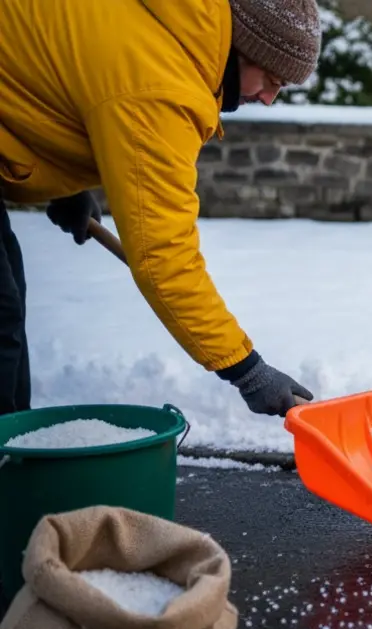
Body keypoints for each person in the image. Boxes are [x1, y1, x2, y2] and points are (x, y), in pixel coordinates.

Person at [0, 0, 320, 418]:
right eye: (271, 78)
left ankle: (11, 447)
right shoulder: (162, 87)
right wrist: (247, 370)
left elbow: (52, 62)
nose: (270, 97)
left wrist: (62, 186)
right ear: (241, 47)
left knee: (8, 299)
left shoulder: (170, 22)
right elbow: (165, 258)